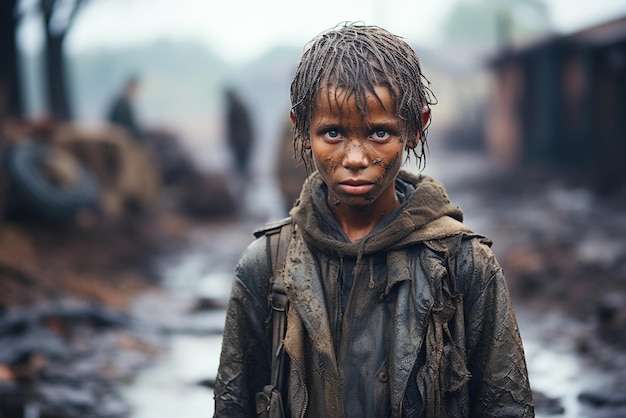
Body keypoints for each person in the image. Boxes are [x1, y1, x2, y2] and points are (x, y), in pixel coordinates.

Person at [214, 23, 534, 417]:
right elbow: (234, 404)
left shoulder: (464, 265)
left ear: (415, 128)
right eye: (332, 133)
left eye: (379, 133)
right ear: (301, 129)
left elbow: (506, 405)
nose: (354, 158)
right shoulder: (265, 265)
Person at [107, 75, 143, 142]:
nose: (135, 92)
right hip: (120, 138)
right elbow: (128, 126)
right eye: (133, 88)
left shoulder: (124, 103)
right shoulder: (122, 105)